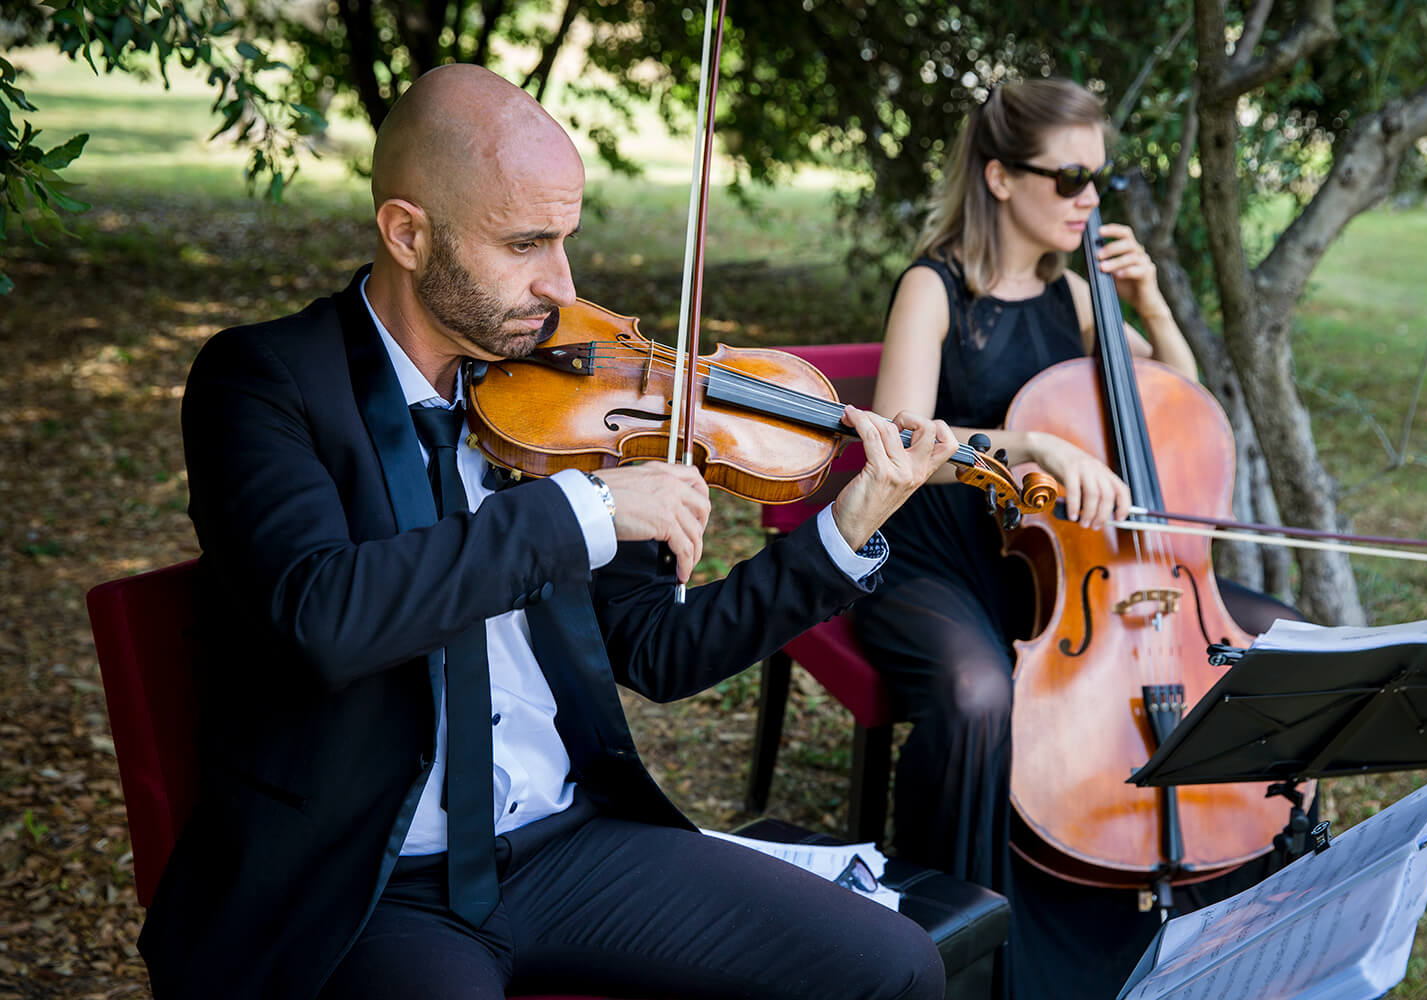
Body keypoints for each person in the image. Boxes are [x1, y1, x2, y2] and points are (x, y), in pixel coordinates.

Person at [139, 64, 958, 1000]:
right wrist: (589, 514)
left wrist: (844, 532)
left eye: (565, 239)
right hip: (376, 884)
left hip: (566, 846)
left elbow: (661, 652)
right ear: (408, 233)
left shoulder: (568, 398)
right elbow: (323, 614)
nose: (560, 285)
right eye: (525, 243)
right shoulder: (263, 382)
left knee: (893, 969)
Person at [849, 78, 1303, 999]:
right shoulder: (932, 288)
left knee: (1274, 642)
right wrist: (1025, 443)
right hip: (938, 556)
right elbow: (897, 448)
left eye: (1102, 178)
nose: (1090, 199)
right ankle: (957, 931)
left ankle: (1236, 901)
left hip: (1063, 570)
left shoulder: (1081, 295)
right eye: (1070, 178)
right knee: (978, 694)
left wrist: (1152, 303)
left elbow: (1183, 419)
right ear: (1002, 178)